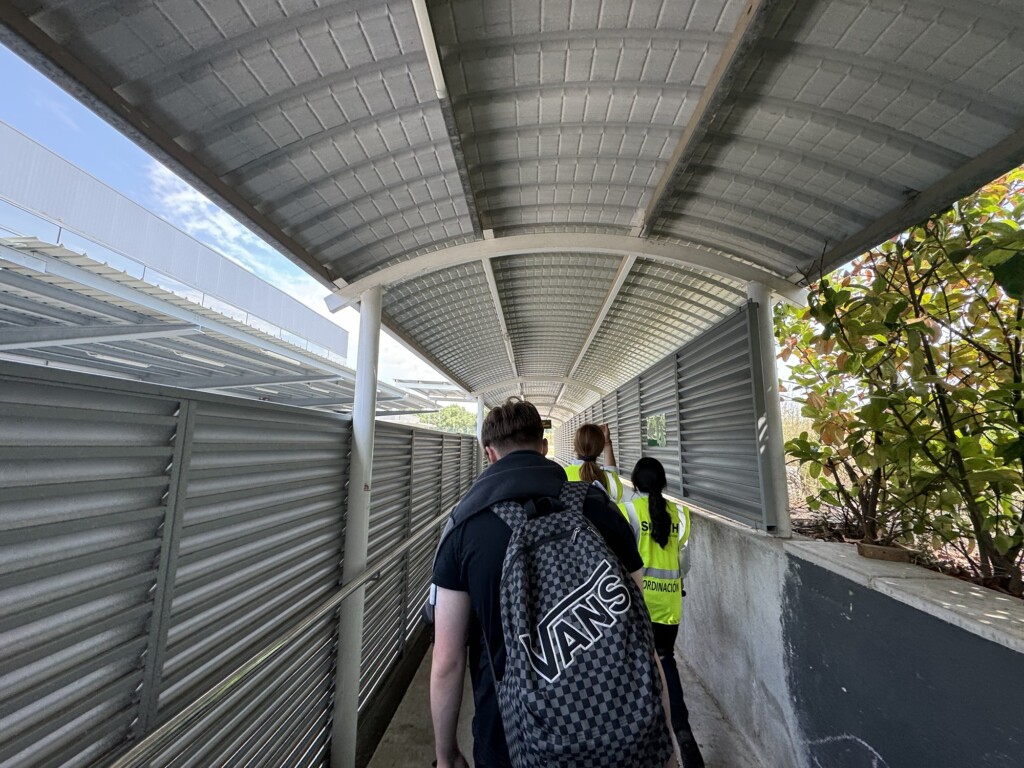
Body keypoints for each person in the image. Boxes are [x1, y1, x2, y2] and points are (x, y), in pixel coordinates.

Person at [429, 398, 676, 768]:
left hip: (511, 740)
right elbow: (640, 632)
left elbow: (447, 661)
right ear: (544, 446)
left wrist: (445, 753)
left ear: (489, 453)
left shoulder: (464, 527)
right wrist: (665, 738)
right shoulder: (598, 509)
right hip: (622, 732)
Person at [619, 457, 706, 768]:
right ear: (663, 481)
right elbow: (686, 563)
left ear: (636, 481)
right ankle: (683, 733)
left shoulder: (628, 511)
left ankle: (651, 740)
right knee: (666, 660)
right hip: (670, 605)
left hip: (638, 604)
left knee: (639, 668)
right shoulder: (681, 514)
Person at [563, 422, 624, 502]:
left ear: (575, 447)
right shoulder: (609, 478)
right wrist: (607, 443)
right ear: (599, 450)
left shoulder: (563, 475)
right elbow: (611, 471)